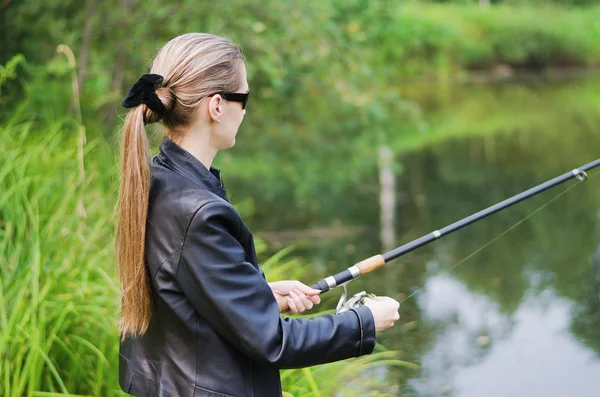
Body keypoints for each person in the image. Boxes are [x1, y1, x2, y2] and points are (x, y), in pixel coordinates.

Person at [116, 33, 400, 397]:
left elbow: (178, 293)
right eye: (243, 98)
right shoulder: (199, 212)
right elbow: (274, 341)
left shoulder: (157, 181)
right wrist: (364, 322)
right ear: (216, 105)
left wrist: (256, 295)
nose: (245, 110)